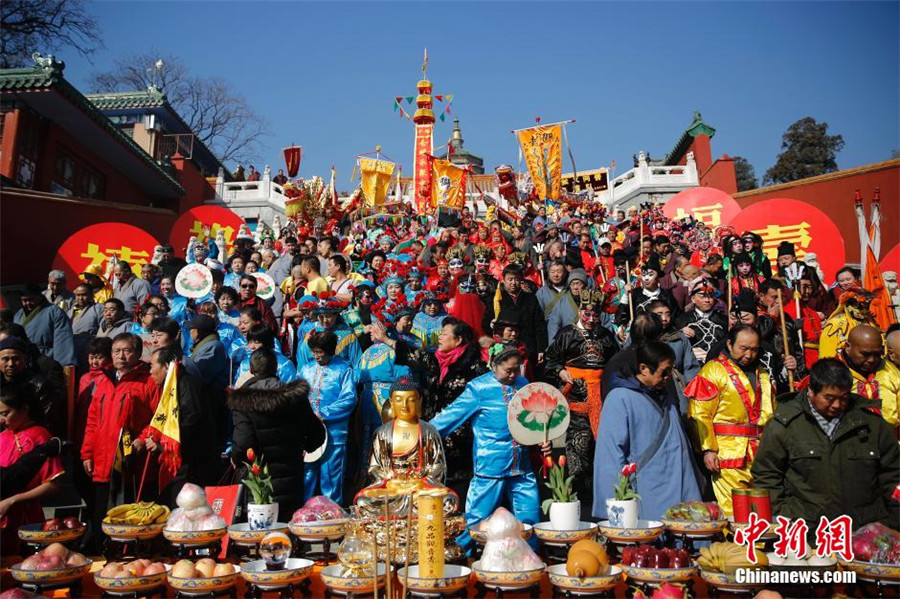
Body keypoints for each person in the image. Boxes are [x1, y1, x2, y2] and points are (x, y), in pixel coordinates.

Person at [751, 359, 899, 529]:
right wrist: (784, 518)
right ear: (811, 391)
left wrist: (890, 523)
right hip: (805, 532)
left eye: (843, 398)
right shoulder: (784, 425)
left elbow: (893, 476)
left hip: (864, 531)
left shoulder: (873, 425)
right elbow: (766, 476)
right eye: (829, 398)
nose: (837, 405)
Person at [430, 343, 540, 551]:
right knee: (477, 521)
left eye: (517, 369)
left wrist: (542, 437)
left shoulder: (523, 383)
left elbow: (534, 420)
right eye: (508, 370)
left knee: (529, 521)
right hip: (491, 467)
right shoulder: (479, 388)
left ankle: (530, 561)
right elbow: (451, 416)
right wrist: (422, 432)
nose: (513, 375)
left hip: (521, 467)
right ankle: (461, 555)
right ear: (494, 366)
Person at [369, 317, 486, 500]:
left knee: (459, 482)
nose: (439, 337)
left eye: (444, 334)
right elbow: (413, 355)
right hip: (432, 431)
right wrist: (385, 339)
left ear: (458, 340)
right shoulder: (436, 360)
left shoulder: (474, 366)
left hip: (460, 435)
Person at [593, 342, 702, 522]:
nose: (669, 377)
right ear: (643, 368)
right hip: (645, 488)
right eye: (664, 372)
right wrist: (613, 506)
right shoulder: (619, 398)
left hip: (679, 482)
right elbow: (609, 455)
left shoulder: (665, 394)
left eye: (671, 371)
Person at [685, 325, 774, 516]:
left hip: (760, 452)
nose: (749, 354)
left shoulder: (763, 374)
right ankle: (735, 545)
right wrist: (708, 449)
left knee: (760, 509)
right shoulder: (713, 371)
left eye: (754, 349)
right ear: (729, 344)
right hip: (727, 452)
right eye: (744, 348)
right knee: (735, 509)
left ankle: (756, 544)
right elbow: (699, 413)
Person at [229, 349, 326, 521]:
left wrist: (236, 459)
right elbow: (317, 435)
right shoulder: (294, 397)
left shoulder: (243, 400)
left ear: (251, 370)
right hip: (291, 476)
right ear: (275, 369)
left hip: (258, 480)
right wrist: (301, 447)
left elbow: (243, 442)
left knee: (260, 531)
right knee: (287, 528)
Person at [80, 333, 159, 544]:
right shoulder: (103, 380)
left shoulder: (148, 381)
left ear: (138, 353)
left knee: (129, 515)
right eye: (116, 351)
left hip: (130, 459)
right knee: (101, 514)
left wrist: (143, 439)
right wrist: (87, 453)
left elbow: (159, 417)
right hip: (102, 460)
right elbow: (92, 421)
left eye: (127, 351)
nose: (121, 356)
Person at [545, 290, 618, 510]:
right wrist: (560, 372)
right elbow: (550, 359)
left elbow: (615, 361)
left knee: (602, 444)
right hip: (576, 394)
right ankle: (578, 494)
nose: (591, 320)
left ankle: (602, 491)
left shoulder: (605, 335)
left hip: (601, 395)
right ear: (580, 312)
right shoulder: (567, 333)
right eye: (587, 315)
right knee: (579, 443)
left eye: (596, 316)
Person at [145, 347, 220, 495]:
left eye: (152, 365)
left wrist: (163, 445)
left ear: (166, 366)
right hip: (183, 462)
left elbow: (191, 420)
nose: (150, 371)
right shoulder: (172, 385)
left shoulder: (186, 383)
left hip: (193, 465)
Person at [0, 385, 65, 549]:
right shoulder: (2, 437)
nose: (1, 419)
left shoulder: (40, 436)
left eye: (5, 413)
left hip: (26, 517)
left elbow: (52, 485)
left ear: (24, 409)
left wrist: (13, 500)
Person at [298, 331, 357, 505]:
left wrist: (324, 413)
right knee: (307, 474)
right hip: (308, 431)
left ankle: (332, 516)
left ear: (330, 351)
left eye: (320, 352)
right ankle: (304, 513)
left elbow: (349, 399)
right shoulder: (306, 369)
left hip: (334, 432)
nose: (315, 356)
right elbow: (296, 395)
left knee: (330, 475)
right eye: (314, 352)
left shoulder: (344, 370)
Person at [0, 335, 67, 437]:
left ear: (25, 359)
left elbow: (47, 421)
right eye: (5, 359)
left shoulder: (40, 386)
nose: (11, 364)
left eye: (15, 358)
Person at [835, 325, 899, 428]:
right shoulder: (831, 374)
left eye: (877, 354)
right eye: (865, 354)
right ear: (847, 347)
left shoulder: (890, 371)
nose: (871, 360)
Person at [482, 265, 547, 365]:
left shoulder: (530, 298)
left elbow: (539, 324)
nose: (513, 283)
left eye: (516, 279)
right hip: (504, 348)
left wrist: (541, 349)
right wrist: (491, 324)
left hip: (528, 346)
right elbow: (486, 322)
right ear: (503, 280)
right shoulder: (496, 299)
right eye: (510, 279)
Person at [14, 284, 76, 368]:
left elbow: (63, 340)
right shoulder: (18, 315)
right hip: (24, 362)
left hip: (47, 360)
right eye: (24, 300)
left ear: (39, 297)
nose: (28, 303)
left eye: (31, 299)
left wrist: (63, 365)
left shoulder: (55, 312)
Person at [819, 287, 879, 358]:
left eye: (866, 307)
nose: (863, 311)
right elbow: (827, 354)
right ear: (847, 305)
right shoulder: (835, 324)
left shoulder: (871, 323)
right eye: (858, 306)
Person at [546, 268, 589, 343]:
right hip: (568, 342)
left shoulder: (593, 300)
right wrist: (552, 345)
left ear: (584, 285)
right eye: (572, 284)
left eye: (579, 284)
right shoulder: (561, 303)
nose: (575, 287)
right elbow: (554, 326)